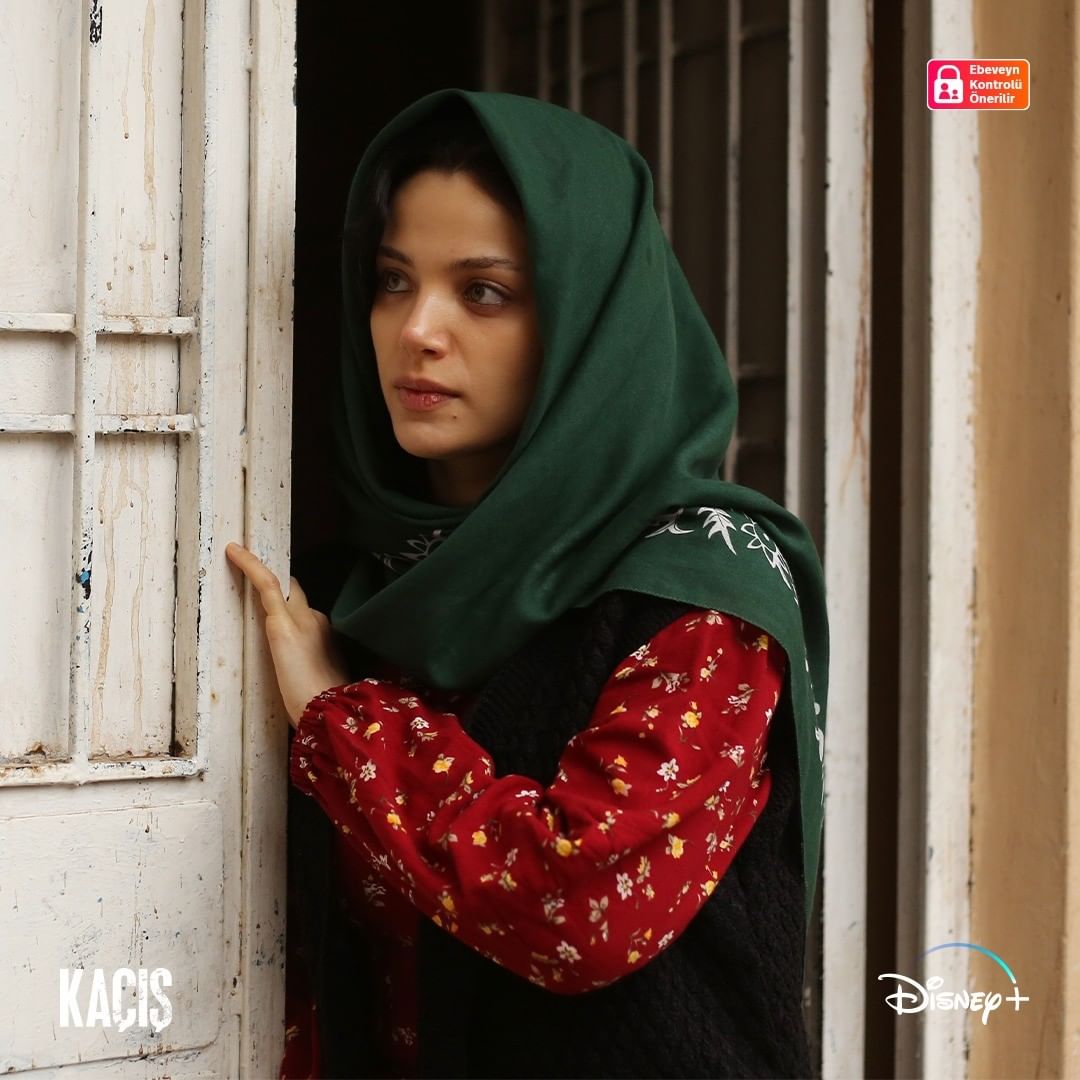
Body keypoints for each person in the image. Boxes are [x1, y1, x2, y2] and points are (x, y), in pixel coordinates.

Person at [226, 89, 828, 1079]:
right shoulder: (350, 592)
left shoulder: (700, 594)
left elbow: (579, 906)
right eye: (392, 281)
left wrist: (345, 722)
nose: (417, 330)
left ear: (589, 324)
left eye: (484, 292)